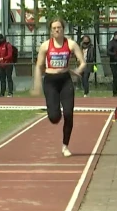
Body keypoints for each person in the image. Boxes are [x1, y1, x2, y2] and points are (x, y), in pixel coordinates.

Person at [32, 18, 87, 157]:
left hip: (65, 80)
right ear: (51, 31)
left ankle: (65, 145)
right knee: (54, 117)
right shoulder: (45, 46)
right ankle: (55, 110)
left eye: (59, 28)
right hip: (50, 81)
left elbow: (83, 63)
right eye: (54, 28)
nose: (57, 30)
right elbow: (39, 66)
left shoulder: (71, 44)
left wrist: (77, 72)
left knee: (68, 114)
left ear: (63, 29)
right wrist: (37, 84)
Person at [0, 34, 15, 98]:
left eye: (0, 39)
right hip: (1, 65)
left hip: (8, 64)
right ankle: (2, 93)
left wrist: (2, 58)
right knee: (2, 79)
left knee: (9, 78)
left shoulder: (8, 45)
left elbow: (10, 55)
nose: (0, 41)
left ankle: (10, 93)